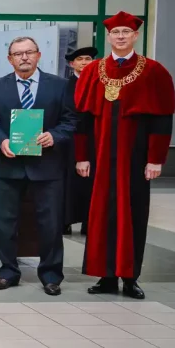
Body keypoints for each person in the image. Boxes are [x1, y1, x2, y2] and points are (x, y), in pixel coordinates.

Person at [76, 12, 175, 300]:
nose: (120, 36)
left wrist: (155, 159)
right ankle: (105, 276)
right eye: (116, 32)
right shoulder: (93, 71)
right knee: (101, 215)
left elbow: (162, 120)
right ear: (108, 37)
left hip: (136, 158)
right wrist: (82, 156)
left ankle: (130, 277)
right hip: (100, 157)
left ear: (135, 36)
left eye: (125, 32)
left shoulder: (154, 71)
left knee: (134, 214)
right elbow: (82, 119)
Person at [0, 36, 76, 296]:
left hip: (48, 167)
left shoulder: (60, 85)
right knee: (6, 224)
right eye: (18, 54)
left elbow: (70, 121)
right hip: (9, 167)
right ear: (10, 59)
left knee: (51, 224)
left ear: (38, 55)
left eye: (29, 52)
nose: (24, 57)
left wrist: (54, 136)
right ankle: (8, 272)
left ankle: (51, 276)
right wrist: (1, 141)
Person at [63, 46, 97, 236]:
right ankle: (65, 221)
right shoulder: (64, 86)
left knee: (90, 181)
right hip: (69, 140)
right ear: (72, 64)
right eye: (80, 59)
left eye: (88, 59)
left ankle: (89, 221)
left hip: (92, 140)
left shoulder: (99, 84)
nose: (84, 62)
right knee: (68, 181)